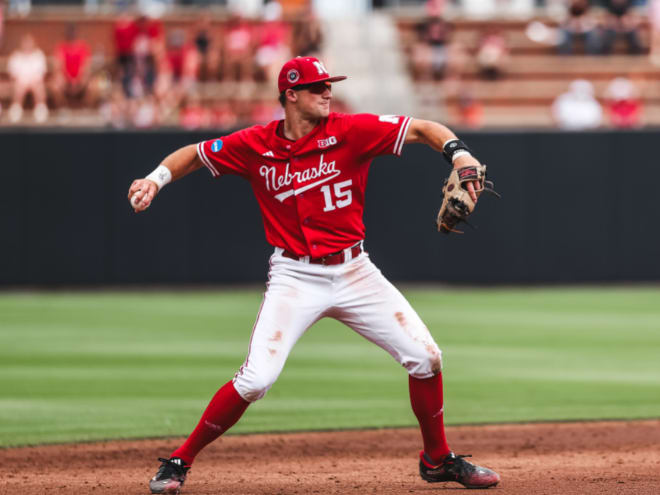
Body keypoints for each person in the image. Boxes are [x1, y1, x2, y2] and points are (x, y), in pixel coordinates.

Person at [128, 56, 500, 494]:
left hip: (355, 270)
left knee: (426, 359)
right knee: (256, 379)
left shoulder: (351, 131)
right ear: (290, 94)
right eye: (317, 86)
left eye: (328, 85)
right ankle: (178, 461)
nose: (327, 92)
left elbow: (421, 128)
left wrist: (460, 153)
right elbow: (194, 154)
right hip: (294, 275)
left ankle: (436, 460)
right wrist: (155, 179)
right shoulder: (255, 143)